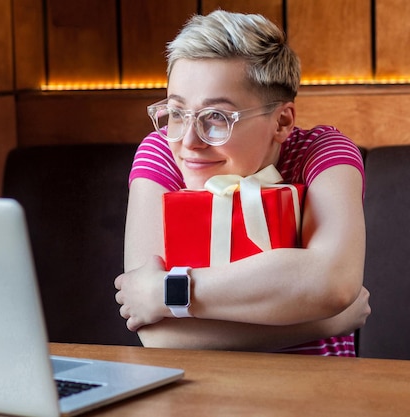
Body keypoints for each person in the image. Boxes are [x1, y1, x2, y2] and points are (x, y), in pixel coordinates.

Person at [114, 9, 371, 356]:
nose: (189, 141)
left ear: (281, 122)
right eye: (176, 113)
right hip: (195, 395)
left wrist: (168, 292)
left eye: (216, 118)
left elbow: (333, 281)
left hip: (316, 392)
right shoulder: (162, 150)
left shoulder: (321, 151)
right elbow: (159, 336)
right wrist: (325, 321)